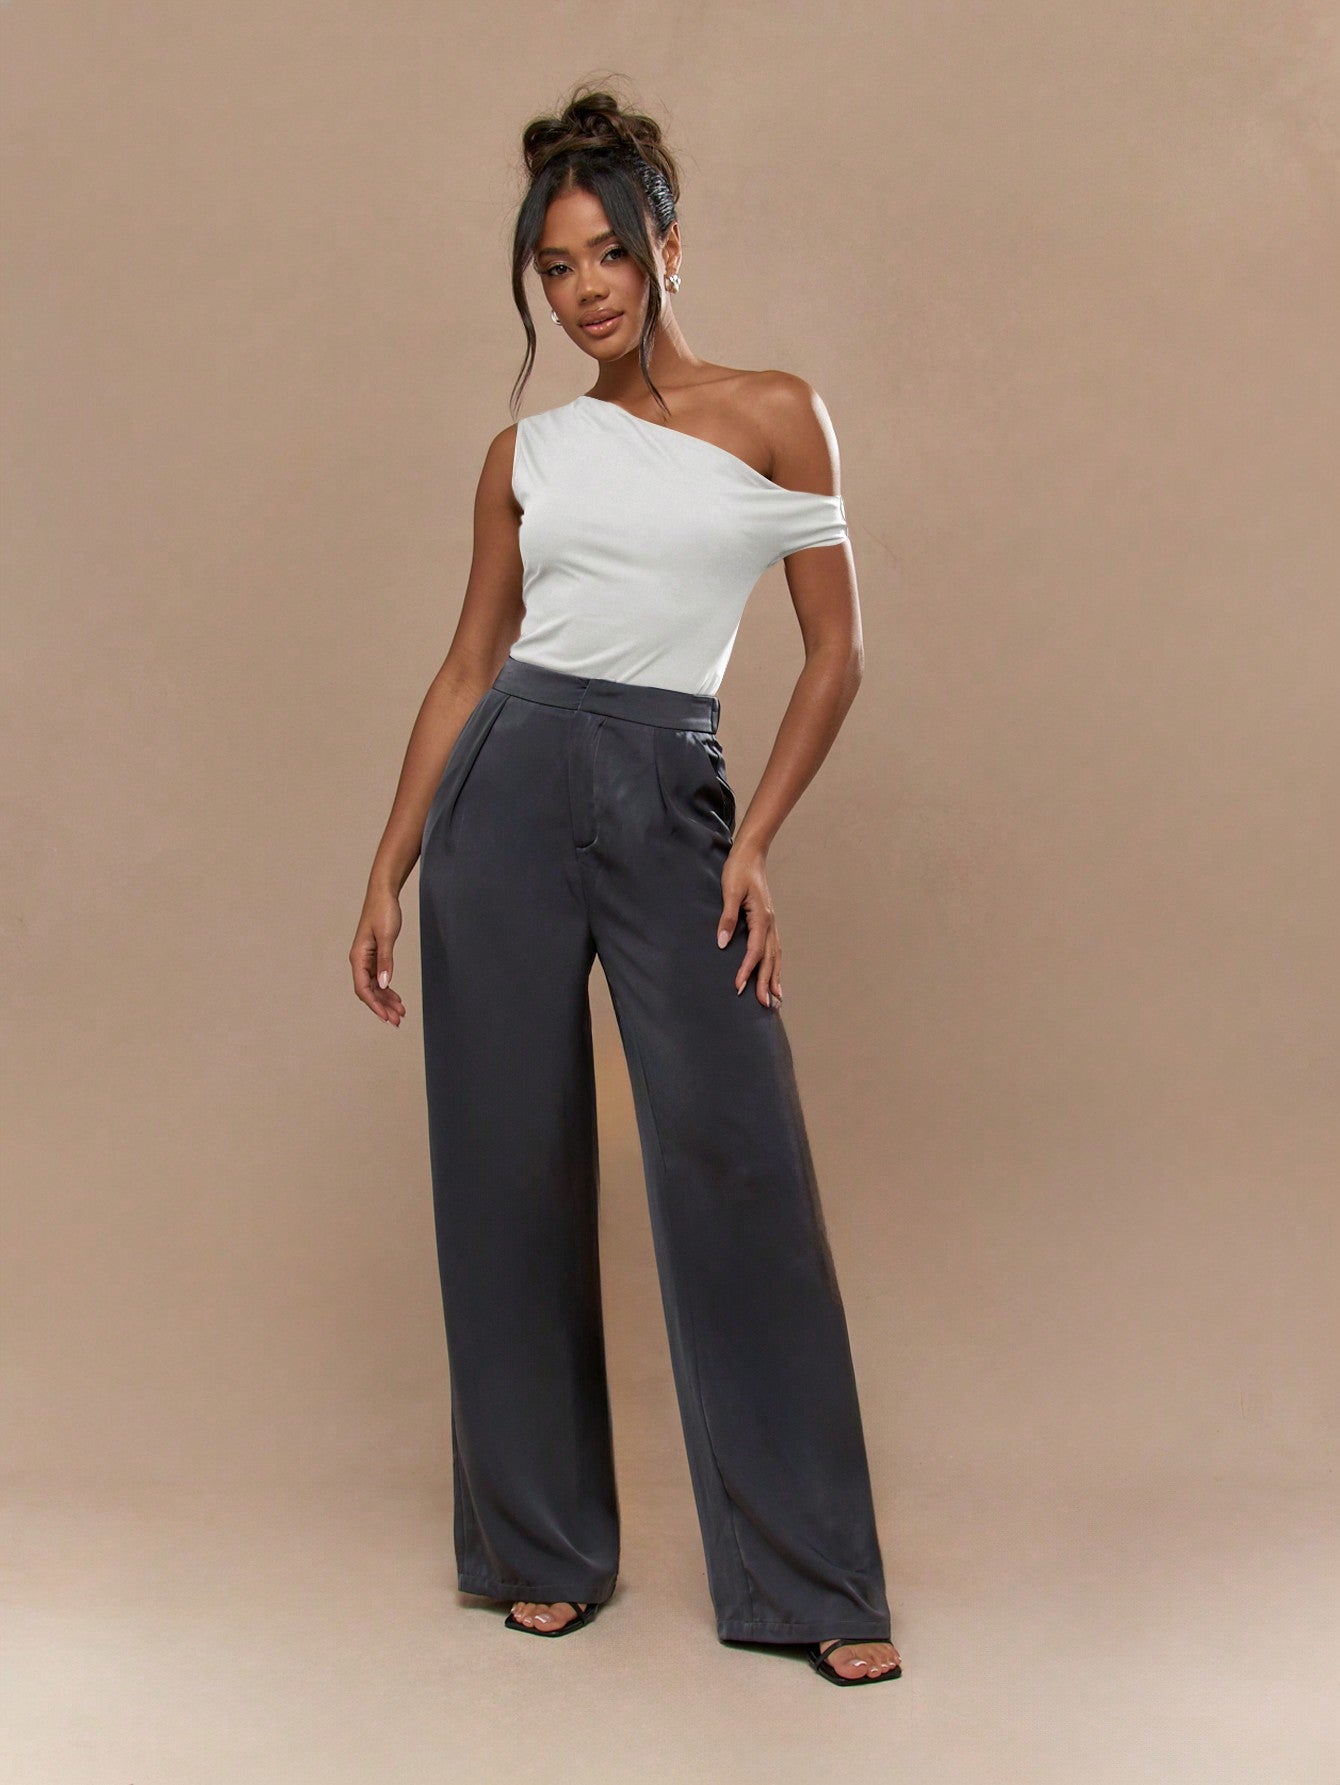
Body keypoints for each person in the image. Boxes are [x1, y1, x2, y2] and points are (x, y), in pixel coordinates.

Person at [350, 84, 902, 1688]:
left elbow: (837, 652)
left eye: (606, 251)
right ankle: (541, 1547)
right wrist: (386, 866)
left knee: (741, 1169)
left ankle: (810, 1573)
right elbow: (469, 665)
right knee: (507, 1171)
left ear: (667, 243)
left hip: (672, 795)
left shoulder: (777, 413)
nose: (585, 288)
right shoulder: (525, 453)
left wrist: (754, 838)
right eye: (554, 266)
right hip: (507, 798)